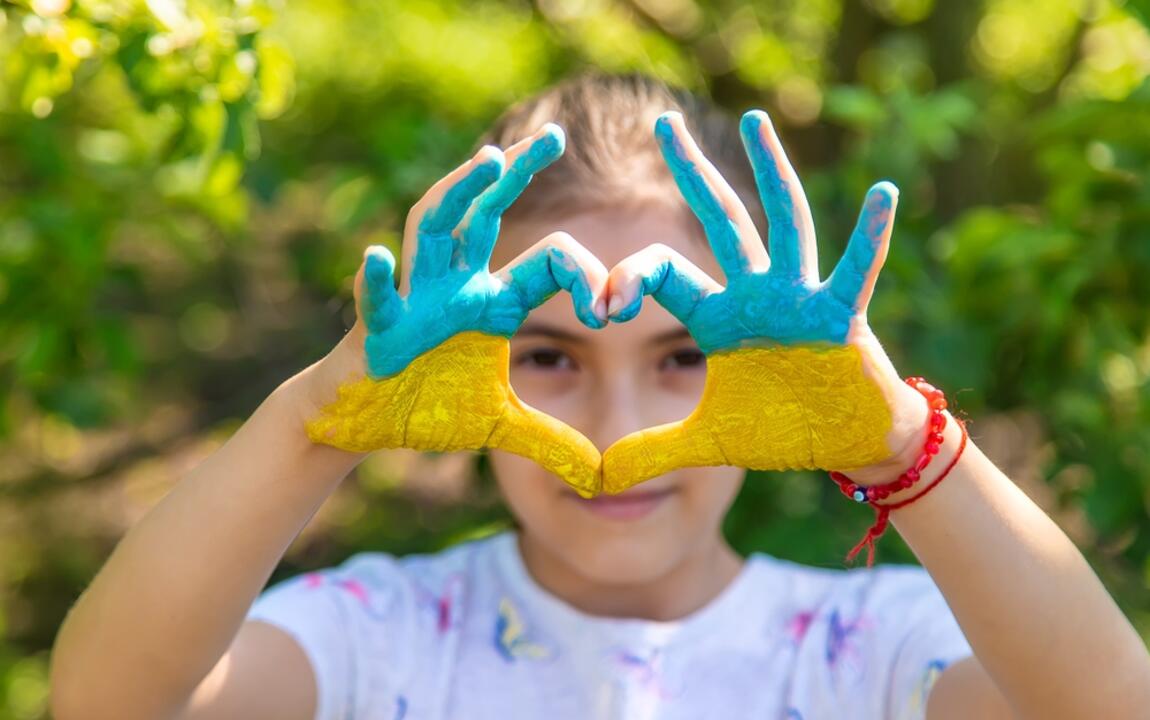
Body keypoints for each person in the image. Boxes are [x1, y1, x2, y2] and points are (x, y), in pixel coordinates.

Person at [49, 72, 1150, 720]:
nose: (619, 434)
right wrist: (311, 423)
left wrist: (902, 446)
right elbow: (108, 703)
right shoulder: (375, 639)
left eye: (683, 358)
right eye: (546, 358)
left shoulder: (875, 647)